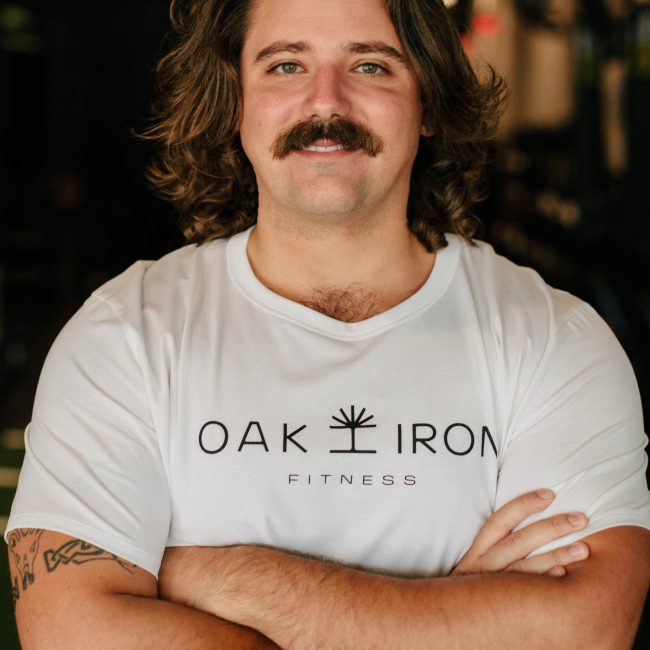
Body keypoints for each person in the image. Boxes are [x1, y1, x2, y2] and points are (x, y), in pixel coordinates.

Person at [6, 0, 650, 647]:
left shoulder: (554, 340)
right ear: (236, 103)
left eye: (370, 65)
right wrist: (451, 617)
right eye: (286, 65)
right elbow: (70, 629)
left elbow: (586, 629)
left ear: (427, 103)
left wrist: (216, 577)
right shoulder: (126, 335)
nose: (326, 104)